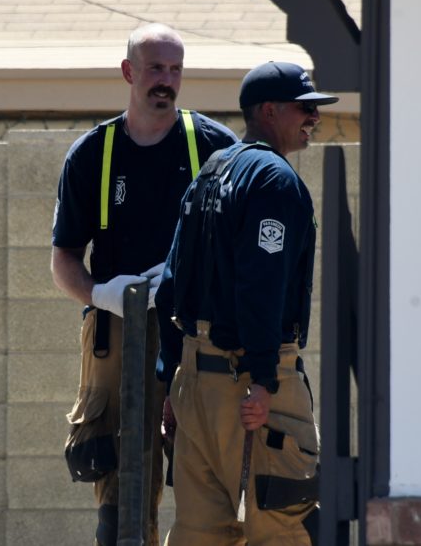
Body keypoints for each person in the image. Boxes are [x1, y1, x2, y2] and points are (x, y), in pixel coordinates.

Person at [51, 23, 238, 545]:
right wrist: (100, 294)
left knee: (211, 483)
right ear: (128, 72)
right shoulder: (94, 154)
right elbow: (63, 259)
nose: (166, 80)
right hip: (116, 334)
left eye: (175, 69)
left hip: (197, 332)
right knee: (119, 497)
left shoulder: (216, 149)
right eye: (155, 68)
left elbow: (242, 252)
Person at [154, 61, 336, 545]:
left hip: (195, 387)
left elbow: (170, 287)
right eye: (304, 108)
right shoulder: (274, 180)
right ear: (269, 111)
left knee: (200, 534)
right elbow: (261, 285)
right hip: (247, 390)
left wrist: (172, 383)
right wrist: (263, 378)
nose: (314, 118)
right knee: (283, 529)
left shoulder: (209, 172)